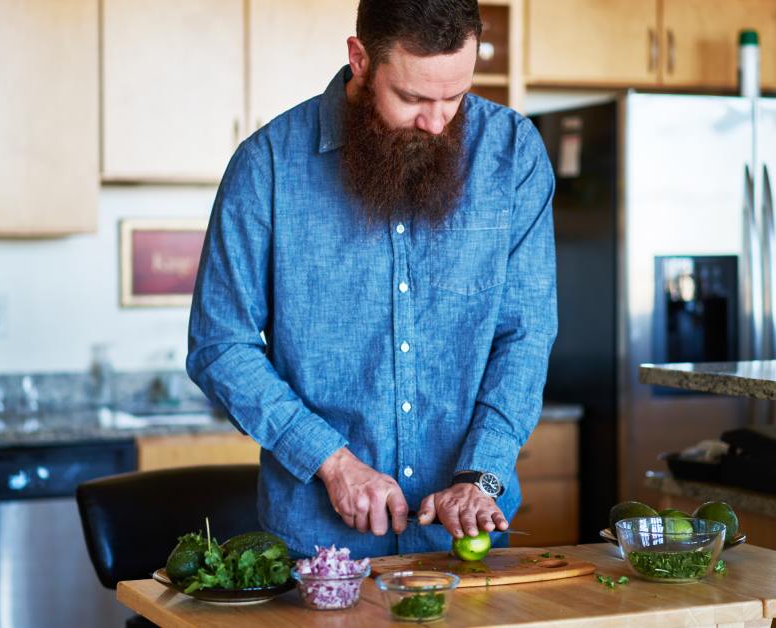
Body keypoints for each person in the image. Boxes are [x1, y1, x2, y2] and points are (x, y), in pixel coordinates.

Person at [186, 0, 556, 558]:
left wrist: (482, 473)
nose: (436, 122)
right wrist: (333, 463)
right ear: (360, 59)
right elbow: (220, 346)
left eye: (454, 97)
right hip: (319, 546)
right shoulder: (267, 166)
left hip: (460, 543)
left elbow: (525, 333)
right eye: (411, 98)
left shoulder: (512, 155)